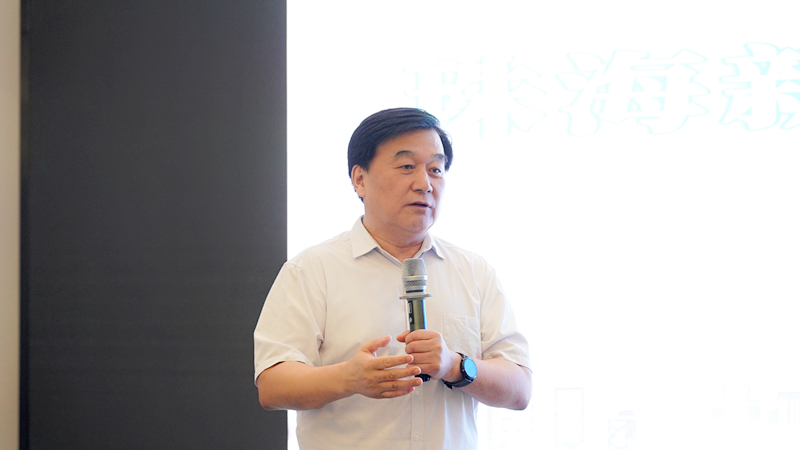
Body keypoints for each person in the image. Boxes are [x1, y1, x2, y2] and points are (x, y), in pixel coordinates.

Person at [254, 107, 531, 450]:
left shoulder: (474, 271)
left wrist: (455, 365)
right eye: (406, 167)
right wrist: (347, 378)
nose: (424, 184)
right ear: (359, 179)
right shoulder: (312, 269)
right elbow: (272, 386)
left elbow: (520, 388)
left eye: (436, 169)